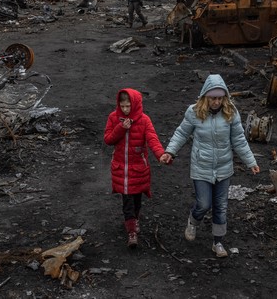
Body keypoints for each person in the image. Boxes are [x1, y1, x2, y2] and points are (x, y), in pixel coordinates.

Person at [159, 74, 259, 258]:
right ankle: (193, 220)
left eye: (220, 98)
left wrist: (250, 161)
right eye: (213, 98)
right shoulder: (194, 112)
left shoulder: (231, 113)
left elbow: (239, 140)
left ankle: (218, 242)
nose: (216, 102)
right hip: (201, 167)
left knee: (220, 206)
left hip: (224, 167)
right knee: (204, 204)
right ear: (205, 96)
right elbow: (181, 133)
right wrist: (170, 151)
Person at [104, 89, 165, 249]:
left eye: (128, 106)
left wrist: (161, 155)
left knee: (136, 199)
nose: (125, 109)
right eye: (122, 106)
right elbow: (108, 139)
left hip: (138, 169)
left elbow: (152, 139)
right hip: (121, 169)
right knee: (127, 200)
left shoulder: (144, 121)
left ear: (135, 104)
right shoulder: (113, 118)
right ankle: (132, 232)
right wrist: (121, 128)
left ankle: (134, 219)